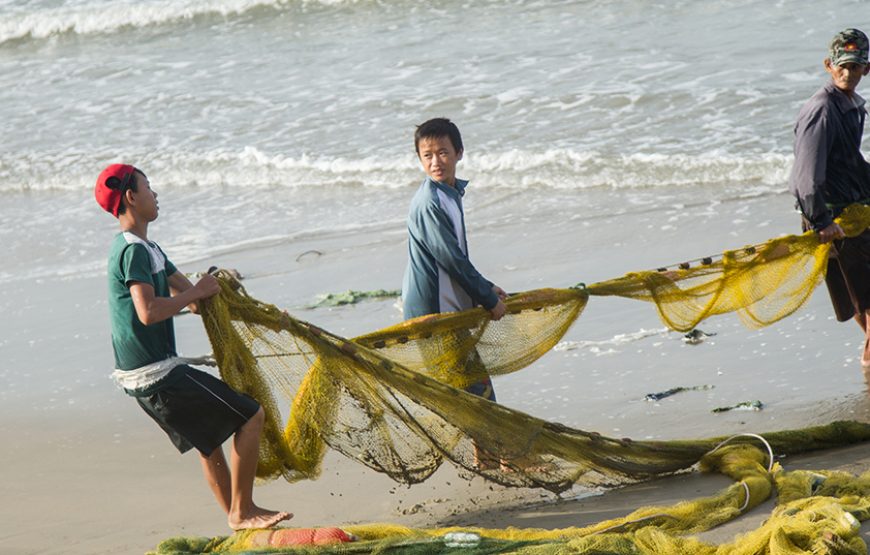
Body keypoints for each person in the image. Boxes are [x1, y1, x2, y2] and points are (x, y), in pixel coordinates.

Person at [95, 163, 292, 530]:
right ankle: (243, 511)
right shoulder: (132, 251)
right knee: (251, 416)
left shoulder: (148, 248)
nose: (155, 195)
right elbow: (149, 311)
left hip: (148, 375)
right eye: (148, 188)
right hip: (156, 377)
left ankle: (237, 519)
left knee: (208, 443)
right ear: (131, 197)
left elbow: (194, 300)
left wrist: (230, 295)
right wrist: (198, 291)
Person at [401, 117, 507, 407]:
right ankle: (488, 454)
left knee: (476, 399)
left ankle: (483, 455)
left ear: (459, 152)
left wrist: (486, 286)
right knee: (479, 400)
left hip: (448, 310)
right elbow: (451, 260)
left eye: (443, 152)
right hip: (433, 315)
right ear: (420, 160)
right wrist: (487, 298)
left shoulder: (449, 193)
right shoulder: (430, 202)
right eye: (428, 155)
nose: (436, 161)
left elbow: (454, 255)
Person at [789, 28, 870, 367]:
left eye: (855, 67)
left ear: (867, 68)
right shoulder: (822, 110)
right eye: (842, 66)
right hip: (834, 221)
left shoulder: (850, 105)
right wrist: (822, 222)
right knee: (864, 304)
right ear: (829, 65)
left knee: (861, 305)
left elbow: (848, 161)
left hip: (851, 216)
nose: (848, 74)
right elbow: (804, 177)